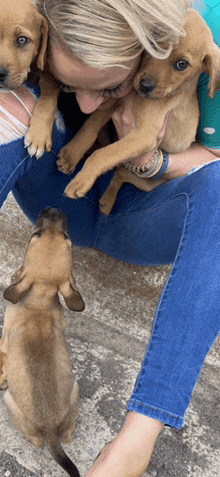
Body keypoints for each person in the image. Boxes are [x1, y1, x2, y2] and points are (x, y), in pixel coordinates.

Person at [0, 0, 220, 475]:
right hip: (58, 201)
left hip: (143, 216)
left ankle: (134, 445)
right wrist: (45, 96)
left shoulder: (185, 45)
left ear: (147, 50)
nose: (86, 105)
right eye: (69, 83)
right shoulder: (28, 27)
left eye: (111, 86)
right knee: (6, 106)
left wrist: (153, 163)